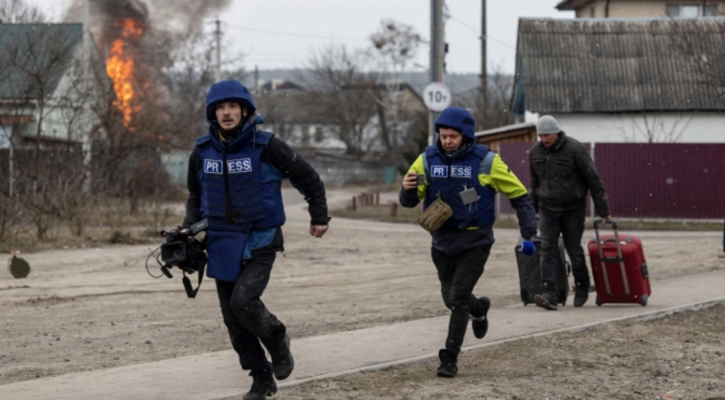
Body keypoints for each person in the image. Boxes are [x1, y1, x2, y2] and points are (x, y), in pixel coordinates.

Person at [181, 80, 330, 400]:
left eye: (233, 107)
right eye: (220, 108)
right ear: (213, 113)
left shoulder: (267, 147)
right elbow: (196, 195)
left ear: (245, 110)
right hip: (221, 244)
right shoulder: (202, 151)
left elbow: (308, 177)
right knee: (234, 321)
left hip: (260, 240)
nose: (227, 113)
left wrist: (319, 215)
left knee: (244, 302)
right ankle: (261, 378)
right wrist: (188, 229)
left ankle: (277, 338)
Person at [399, 107, 537, 378]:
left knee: (458, 297)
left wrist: (529, 232)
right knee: (450, 299)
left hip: (476, 240)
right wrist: (406, 189)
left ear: (466, 135)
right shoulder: (426, 160)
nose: (447, 141)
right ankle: (480, 308)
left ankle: (449, 357)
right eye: (443, 135)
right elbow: (410, 201)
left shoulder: (487, 161)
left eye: (453, 136)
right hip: (441, 240)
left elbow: (520, 196)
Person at [529, 115, 611, 311]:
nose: (544, 139)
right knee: (547, 248)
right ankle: (550, 291)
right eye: (541, 135)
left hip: (572, 209)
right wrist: (531, 213)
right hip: (547, 209)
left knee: (574, 249)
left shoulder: (575, 150)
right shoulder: (535, 152)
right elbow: (534, 184)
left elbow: (595, 181)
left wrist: (603, 212)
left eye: (547, 135)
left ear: (557, 133)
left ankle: (582, 285)